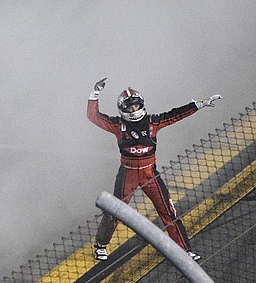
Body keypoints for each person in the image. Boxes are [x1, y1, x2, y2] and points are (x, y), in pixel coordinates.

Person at [87, 78, 221, 262]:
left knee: (168, 212)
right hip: (127, 174)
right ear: (122, 109)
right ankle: (100, 246)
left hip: (150, 174)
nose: (133, 110)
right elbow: (93, 117)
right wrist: (95, 93)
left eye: (136, 106)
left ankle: (184, 251)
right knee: (115, 211)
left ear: (141, 105)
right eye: (129, 108)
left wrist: (199, 105)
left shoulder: (153, 122)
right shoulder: (118, 125)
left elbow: (176, 114)